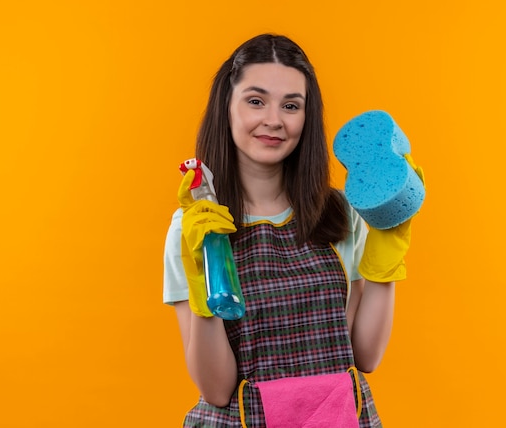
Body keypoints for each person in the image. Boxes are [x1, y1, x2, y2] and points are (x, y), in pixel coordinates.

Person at [164, 33, 414, 427]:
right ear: (226, 107)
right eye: (255, 101)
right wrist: (203, 285)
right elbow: (216, 389)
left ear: (306, 116)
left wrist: (384, 259)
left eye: (291, 106)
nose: (274, 120)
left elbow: (365, 355)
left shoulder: (339, 213)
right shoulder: (196, 229)